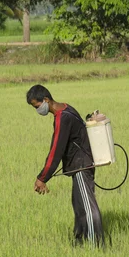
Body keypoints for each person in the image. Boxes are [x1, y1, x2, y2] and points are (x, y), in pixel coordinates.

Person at [26, 84, 104, 245]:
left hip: (82, 165)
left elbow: (56, 150)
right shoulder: (67, 108)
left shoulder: (63, 118)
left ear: (46, 100)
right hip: (79, 164)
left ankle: (95, 244)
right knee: (78, 204)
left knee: (87, 207)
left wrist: (42, 178)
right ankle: (80, 241)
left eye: (37, 106)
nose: (37, 110)